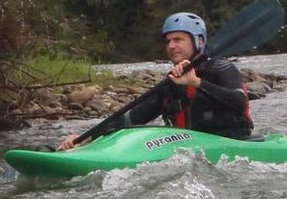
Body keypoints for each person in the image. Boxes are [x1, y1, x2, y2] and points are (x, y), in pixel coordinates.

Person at [60, 12, 253, 149]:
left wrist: (197, 83)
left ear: (199, 42)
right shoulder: (171, 84)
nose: (171, 45)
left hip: (233, 144)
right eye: (168, 41)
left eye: (178, 39)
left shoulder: (223, 69)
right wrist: (88, 138)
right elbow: (131, 118)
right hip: (188, 148)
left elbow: (239, 101)